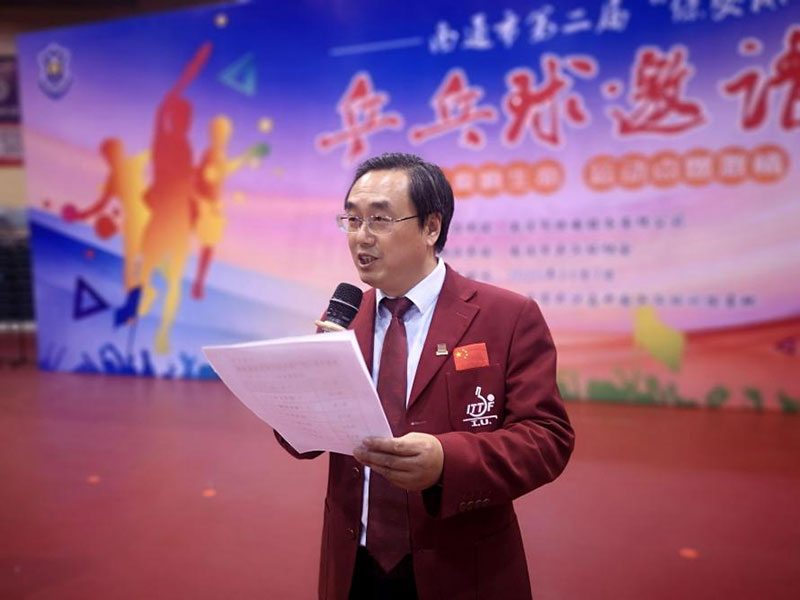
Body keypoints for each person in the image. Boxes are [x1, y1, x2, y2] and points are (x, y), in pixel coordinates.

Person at [276, 153, 574, 599]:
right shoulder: (345, 317)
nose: (361, 236)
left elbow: (547, 438)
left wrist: (445, 462)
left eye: (380, 219)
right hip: (353, 565)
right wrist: (292, 401)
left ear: (431, 227)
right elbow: (304, 438)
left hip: (461, 570)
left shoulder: (507, 316)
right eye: (352, 220)